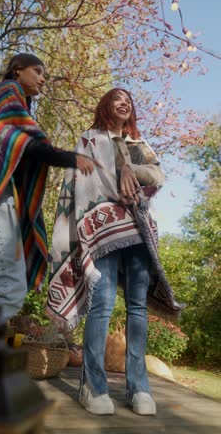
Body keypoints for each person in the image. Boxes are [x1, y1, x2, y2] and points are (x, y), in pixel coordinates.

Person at [46, 88, 182, 416]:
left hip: (137, 230)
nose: (124, 103)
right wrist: (117, 172)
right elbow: (85, 179)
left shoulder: (139, 143)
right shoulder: (91, 138)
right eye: (117, 98)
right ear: (107, 105)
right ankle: (92, 385)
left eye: (129, 101)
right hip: (101, 229)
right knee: (102, 305)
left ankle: (139, 388)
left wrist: (128, 169)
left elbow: (157, 176)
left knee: (137, 307)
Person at [0, 53, 96, 350]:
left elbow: (17, 146)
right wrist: (72, 158)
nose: (43, 78)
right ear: (18, 70)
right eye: (38, 71)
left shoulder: (3, 102)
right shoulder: (7, 92)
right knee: (8, 289)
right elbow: (26, 145)